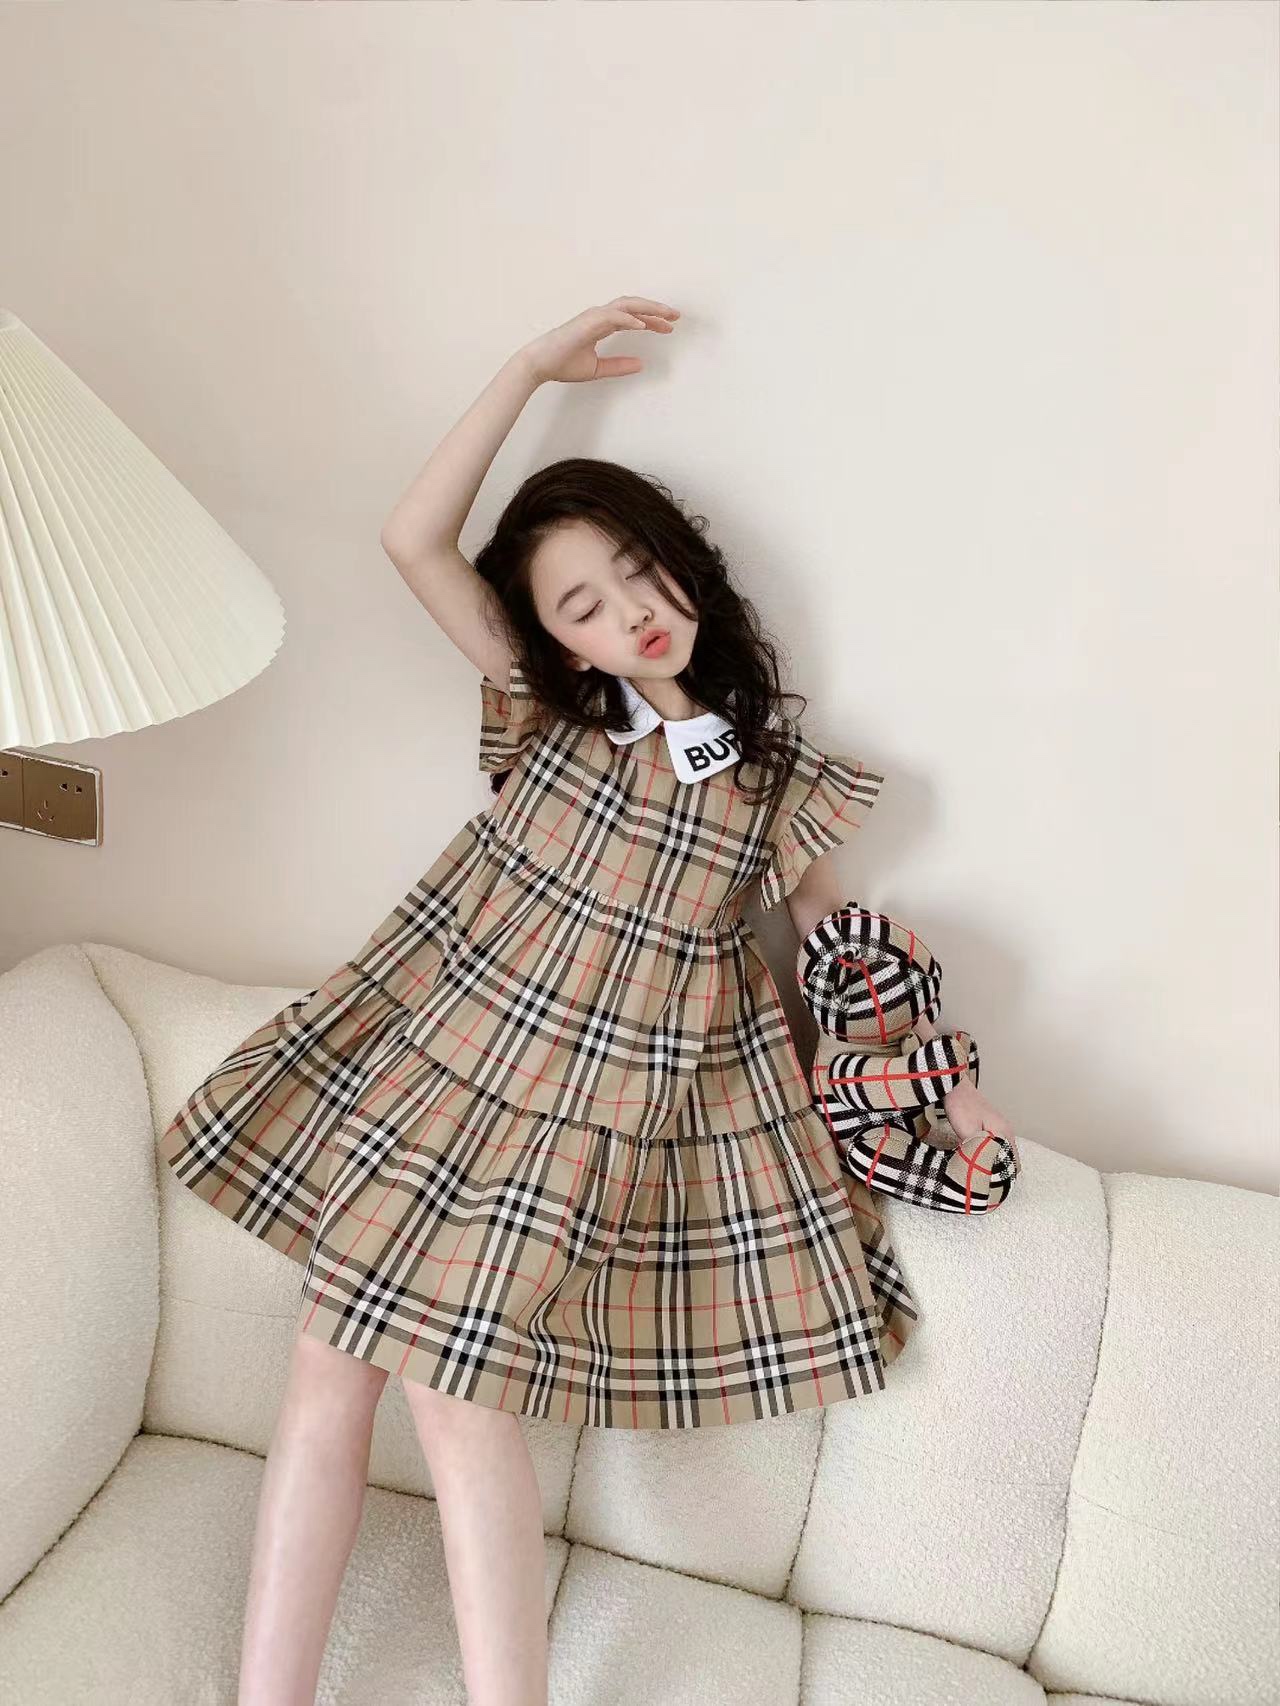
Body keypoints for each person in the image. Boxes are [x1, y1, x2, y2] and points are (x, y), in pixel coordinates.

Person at [157, 296, 1013, 1706]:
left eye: (637, 570)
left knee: (454, 1394)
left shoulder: (774, 787)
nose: (631, 610)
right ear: (558, 644)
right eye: (584, 605)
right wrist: (525, 370)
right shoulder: (546, 717)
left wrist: (946, 1084)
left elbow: (850, 960)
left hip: (587, 1127)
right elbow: (413, 540)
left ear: (683, 564)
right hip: (439, 1083)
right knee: (323, 1362)